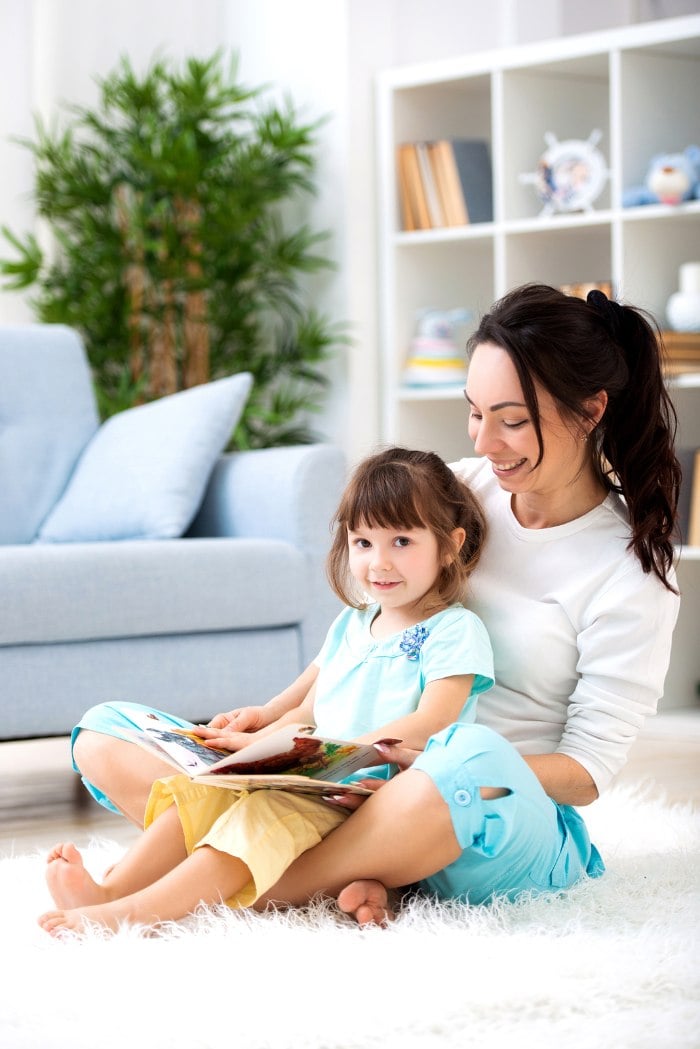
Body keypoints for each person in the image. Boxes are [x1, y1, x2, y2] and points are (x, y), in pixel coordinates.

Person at [65, 282, 681, 926]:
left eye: (514, 420)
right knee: (107, 731)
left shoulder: (630, 572)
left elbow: (586, 773)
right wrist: (274, 732)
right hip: (358, 782)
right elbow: (366, 633)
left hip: (483, 812)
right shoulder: (454, 492)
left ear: (590, 411)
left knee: (469, 756)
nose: (486, 443)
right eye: (475, 413)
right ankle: (361, 867)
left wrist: (424, 765)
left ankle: (241, 884)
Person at [39, 447, 494, 934]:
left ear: (449, 545)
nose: (379, 563)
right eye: (363, 543)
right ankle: (112, 890)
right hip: (309, 781)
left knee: (256, 819)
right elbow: (300, 703)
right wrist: (260, 726)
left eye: (401, 541)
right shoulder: (353, 624)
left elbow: (434, 721)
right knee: (203, 793)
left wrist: (332, 752)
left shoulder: (454, 629)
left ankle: (130, 915)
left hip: (371, 796)